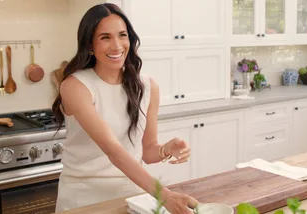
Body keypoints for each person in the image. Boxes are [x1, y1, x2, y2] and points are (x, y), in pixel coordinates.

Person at [52, 3, 198, 214]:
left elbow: (147, 152)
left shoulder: (148, 86)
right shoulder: (76, 86)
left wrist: (166, 149)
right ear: (90, 45)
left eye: (122, 35)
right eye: (105, 37)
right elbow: (113, 151)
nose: (117, 45)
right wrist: (165, 195)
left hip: (133, 198)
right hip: (84, 199)